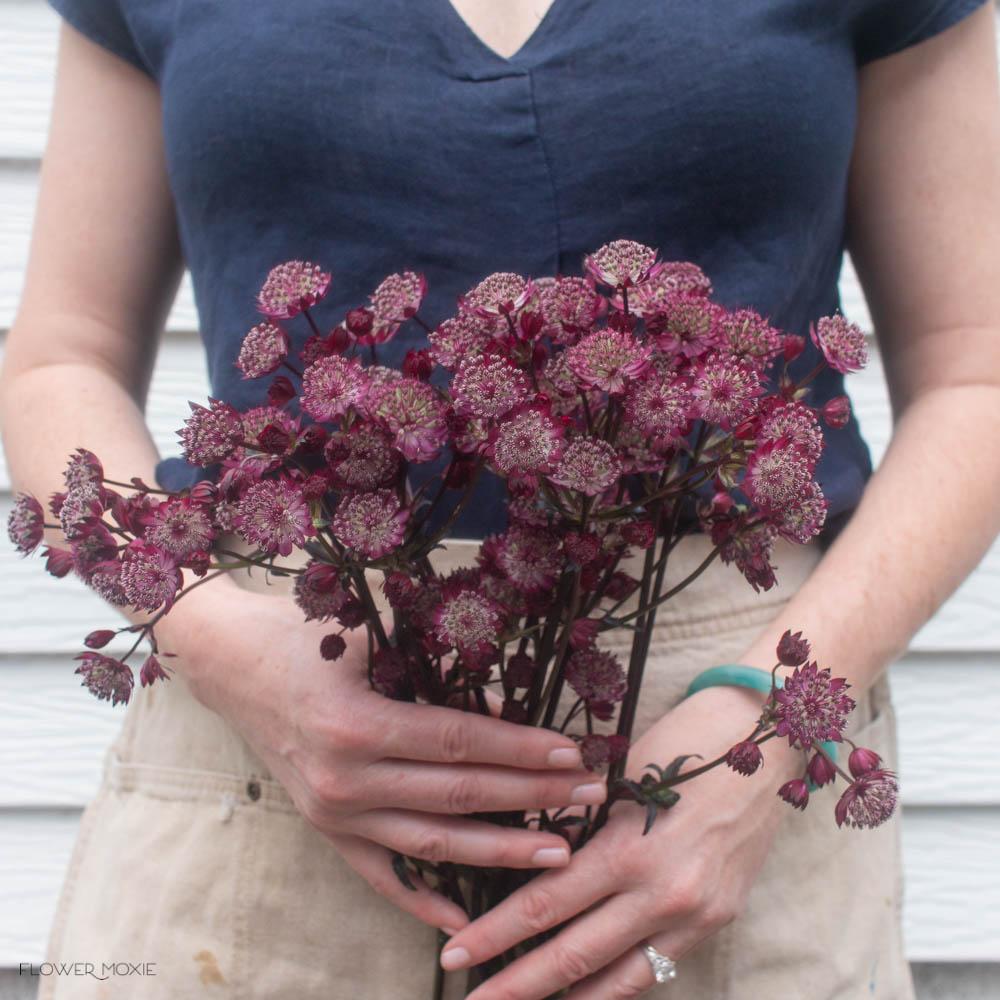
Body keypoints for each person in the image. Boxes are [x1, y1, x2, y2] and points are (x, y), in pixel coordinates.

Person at [3, 0, 999, 997]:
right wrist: (217, 645)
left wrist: (774, 720)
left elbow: (976, 376)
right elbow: (58, 359)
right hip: (268, 734)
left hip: (722, 771)